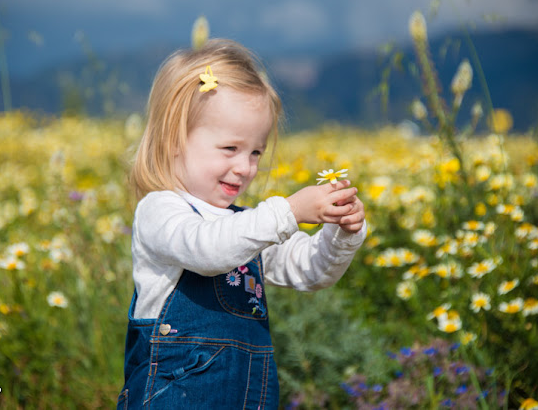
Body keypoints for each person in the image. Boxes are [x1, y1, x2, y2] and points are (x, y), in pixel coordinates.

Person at [117, 38, 366, 410]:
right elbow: (206, 249)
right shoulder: (160, 210)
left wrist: (341, 233)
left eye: (255, 152)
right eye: (230, 149)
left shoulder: (246, 224)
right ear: (174, 141)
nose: (245, 167)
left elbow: (310, 271)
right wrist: (289, 211)